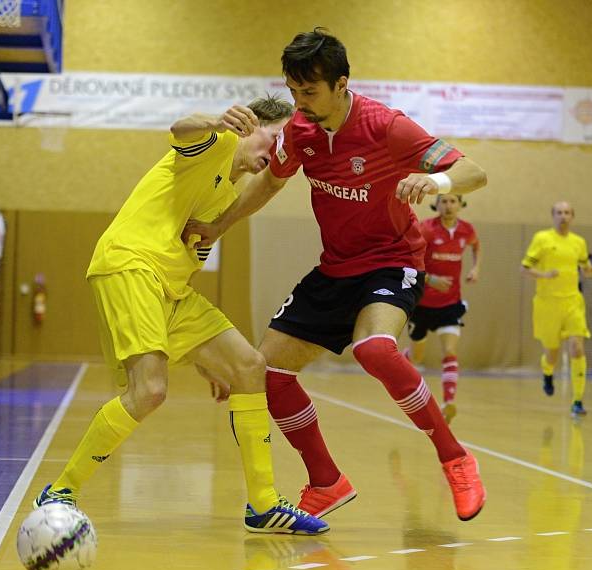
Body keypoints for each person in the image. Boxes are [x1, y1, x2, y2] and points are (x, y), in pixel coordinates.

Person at [183, 28, 488, 522]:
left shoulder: (387, 127)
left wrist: (432, 180)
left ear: (342, 84)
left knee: (374, 349)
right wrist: (219, 225)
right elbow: (268, 184)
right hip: (336, 268)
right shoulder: (300, 132)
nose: (299, 103)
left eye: (309, 92)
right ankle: (326, 480)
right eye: (292, 91)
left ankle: (455, 457)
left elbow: (474, 171)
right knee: (269, 372)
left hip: (392, 260)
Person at [33, 96, 329, 535]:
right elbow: (181, 129)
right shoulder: (217, 143)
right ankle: (61, 490)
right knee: (149, 391)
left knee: (248, 367)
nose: (279, 147)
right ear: (251, 126)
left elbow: (189, 259)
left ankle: (264, 504)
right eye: (275, 135)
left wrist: (202, 355)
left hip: (172, 289)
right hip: (130, 265)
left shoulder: (225, 197)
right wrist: (216, 121)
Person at [403, 193, 481, 424]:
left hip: (450, 303)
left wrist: (476, 268)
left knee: (450, 351)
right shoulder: (426, 229)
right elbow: (408, 261)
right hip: (422, 304)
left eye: (452, 201)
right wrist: (431, 279)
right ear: (436, 205)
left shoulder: (467, 230)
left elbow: (476, 246)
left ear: (460, 204)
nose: (448, 206)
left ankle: (448, 402)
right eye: (443, 201)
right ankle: (401, 362)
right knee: (417, 356)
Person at [521, 202, 592, 416]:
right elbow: (525, 268)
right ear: (552, 216)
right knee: (552, 355)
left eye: (567, 213)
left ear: (572, 216)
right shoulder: (542, 239)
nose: (563, 216)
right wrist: (544, 275)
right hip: (547, 304)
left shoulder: (579, 243)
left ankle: (577, 401)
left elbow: (585, 267)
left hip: (573, 301)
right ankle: (547, 371)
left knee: (577, 348)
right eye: (559, 213)